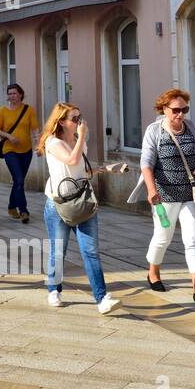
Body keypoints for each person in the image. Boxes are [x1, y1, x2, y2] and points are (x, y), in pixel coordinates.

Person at [37, 104, 121, 314]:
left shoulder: (77, 141)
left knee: (90, 251)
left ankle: (102, 299)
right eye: (74, 119)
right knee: (58, 251)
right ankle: (53, 289)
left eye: (79, 118)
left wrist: (105, 169)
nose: (79, 122)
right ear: (62, 122)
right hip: (58, 205)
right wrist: (82, 136)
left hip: (81, 202)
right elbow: (71, 159)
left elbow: (79, 169)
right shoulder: (52, 142)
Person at [140, 88, 195, 305]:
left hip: (192, 194)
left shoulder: (192, 127)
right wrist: (151, 190)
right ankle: (153, 272)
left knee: (193, 240)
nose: (180, 114)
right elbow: (146, 164)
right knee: (163, 237)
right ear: (164, 109)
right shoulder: (155, 131)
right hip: (164, 196)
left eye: (184, 109)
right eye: (175, 110)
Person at [0, 84, 38, 223]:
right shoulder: (3, 111)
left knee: (19, 181)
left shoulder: (28, 109)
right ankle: (23, 210)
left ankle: (12, 206)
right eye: (9, 93)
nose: (12, 96)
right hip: (9, 150)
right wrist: (9, 136)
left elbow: (35, 129)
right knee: (18, 179)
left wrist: (39, 146)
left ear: (20, 94)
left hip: (26, 151)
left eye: (14, 93)